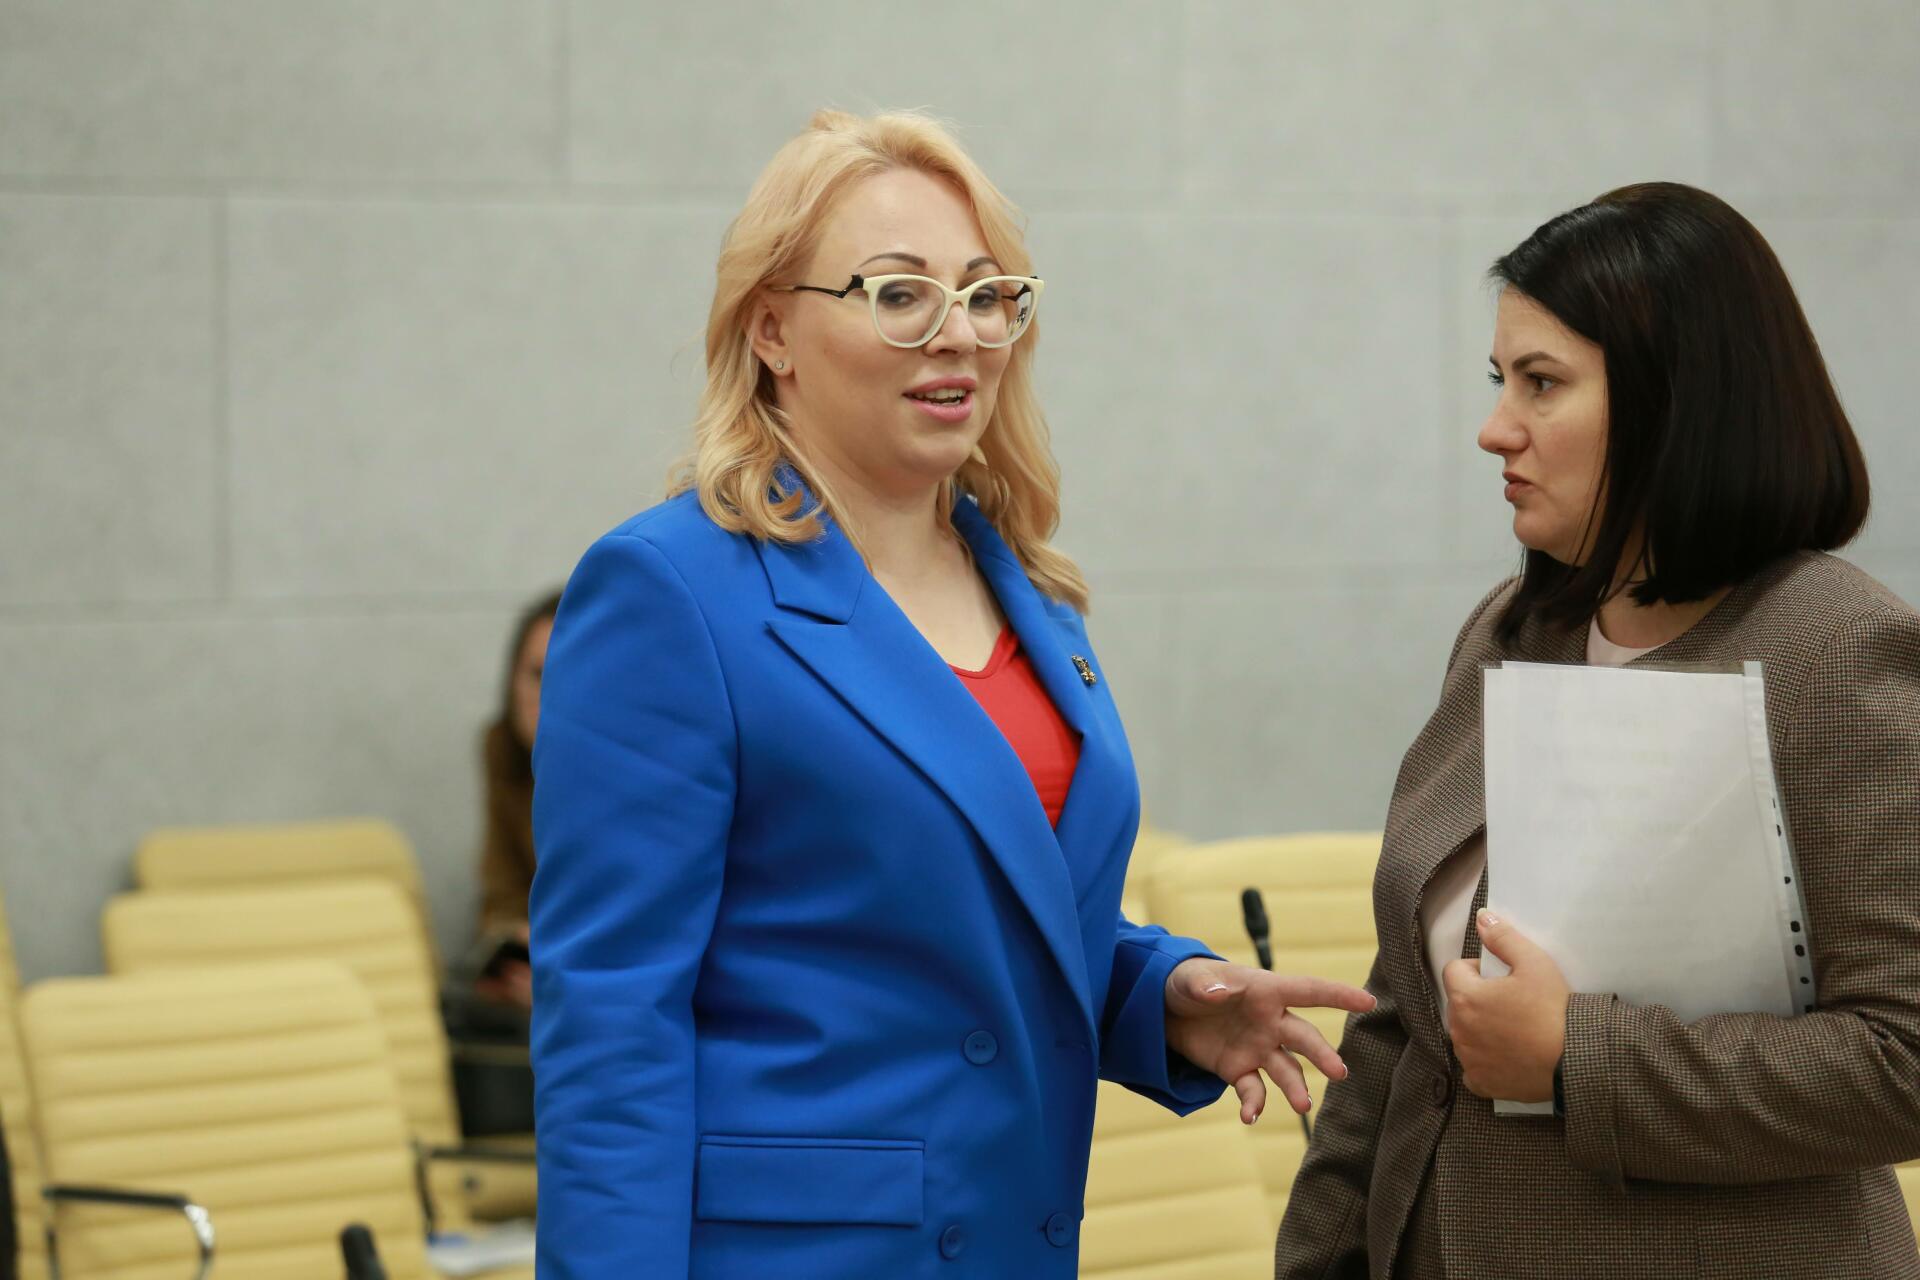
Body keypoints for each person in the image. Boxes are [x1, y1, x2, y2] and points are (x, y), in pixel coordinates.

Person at [529, 108, 1375, 1279]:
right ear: (772, 329)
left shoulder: (1027, 583)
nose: (961, 334)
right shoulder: (671, 589)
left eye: (986, 295)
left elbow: (983, 914)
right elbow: (611, 1024)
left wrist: (1159, 992)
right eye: (899, 294)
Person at [1275, 182, 1920, 1279]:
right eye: (1500, 381)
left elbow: (1902, 1058)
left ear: (1680, 402)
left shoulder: (1839, 650)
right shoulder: (1510, 629)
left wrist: (1579, 1056)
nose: (1495, 428)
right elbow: (1405, 1015)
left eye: (1542, 383)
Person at [471, 588, 558, 1009]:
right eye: (536, 674)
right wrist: (516, 936)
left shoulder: (635, 769)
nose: (547, 694)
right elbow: (500, 889)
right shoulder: (503, 748)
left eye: (565, 674)